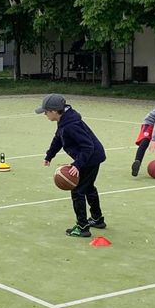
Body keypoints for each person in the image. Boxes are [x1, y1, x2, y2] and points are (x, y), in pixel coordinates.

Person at [37, 94, 107, 237]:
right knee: (88, 187)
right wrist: (50, 155)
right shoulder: (64, 120)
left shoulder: (71, 125)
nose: (44, 114)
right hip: (92, 157)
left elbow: (88, 146)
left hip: (90, 158)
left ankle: (82, 227)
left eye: (46, 111)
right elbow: (58, 139)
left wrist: (77, 165)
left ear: (54, 111)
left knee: (77, 191)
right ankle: (97, 219)